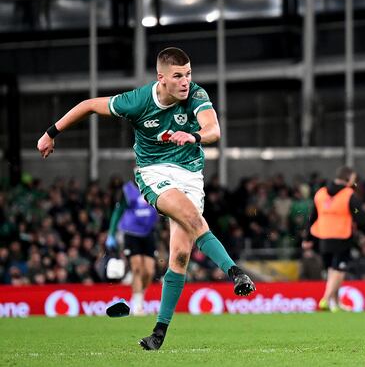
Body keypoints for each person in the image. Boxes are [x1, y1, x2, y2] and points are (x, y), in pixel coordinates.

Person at [36, 47, 255, 350]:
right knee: (192, 218)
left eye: (188, 74)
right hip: (154, 172)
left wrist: (193, 136)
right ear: (161, 78)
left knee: (180, 256)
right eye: (177, 76)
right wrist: (50, 133)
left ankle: (158, 334)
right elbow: (88, 105)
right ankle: (236, 272)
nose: (185, 82)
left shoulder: (196, 94)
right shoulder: (138, 101)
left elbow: (213, 130)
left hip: (191, 175)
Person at [306, 166, 365, 312]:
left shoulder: (320, 193)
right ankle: (326, 299)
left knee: (332, 270)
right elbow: (360, 218)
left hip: (323, 237)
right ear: (348, 178)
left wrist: (307, 238)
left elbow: (312, 216)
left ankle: (336, 303)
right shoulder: (348, 195)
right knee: (339, 269)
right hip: (342, 236)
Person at [106, 178, 159, 316]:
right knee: (137, 268)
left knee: (149, 271)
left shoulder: (156, 187)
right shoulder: (128, 191)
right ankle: (138, 305)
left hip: (148, 233)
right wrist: (111, 234)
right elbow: (118, 211)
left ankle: (139, 294)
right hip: (131, 233)